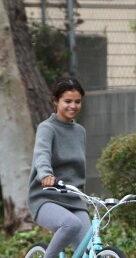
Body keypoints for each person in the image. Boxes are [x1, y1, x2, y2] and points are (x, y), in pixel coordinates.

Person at [27, 77, 90, 258]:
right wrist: (46, 174)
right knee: (71, 224)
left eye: (77, 102)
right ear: (55, 101)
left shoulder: (80, 132)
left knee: (87, 247)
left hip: (74, 199)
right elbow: (42, 154)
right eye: (67, 101)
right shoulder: (47, 128)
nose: (73, 106)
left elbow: (78, 169)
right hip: (46, 197)